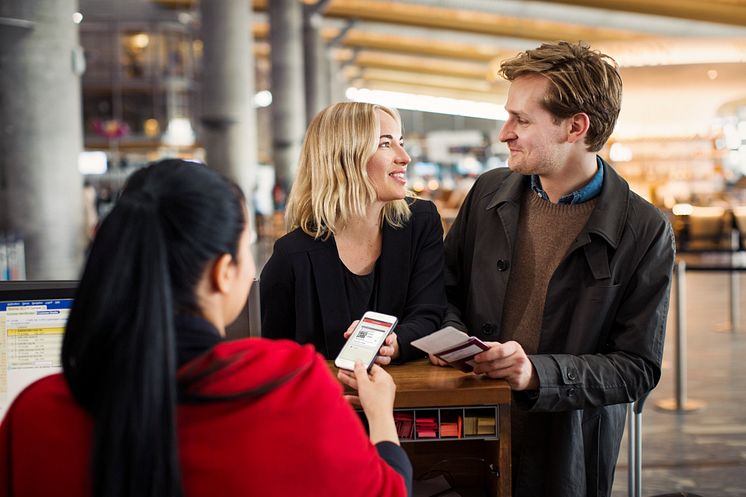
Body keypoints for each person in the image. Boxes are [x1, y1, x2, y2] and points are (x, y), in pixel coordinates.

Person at [0, 159, 412, 497]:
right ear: (222, 272)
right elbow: (389, 491)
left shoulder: (32, 415)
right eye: (246, 245)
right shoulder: (289, 385)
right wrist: (380, 416)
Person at [439, 41, 675, 497]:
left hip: (567, 453)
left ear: (576, 127)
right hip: (468, 429)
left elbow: (636, 367)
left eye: (521, 120)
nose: (504, 133)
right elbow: (444, 291)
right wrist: (450, 341)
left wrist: (537, 374)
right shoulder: (487, 193)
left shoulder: (643, 229)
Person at [260, 102, 447, 363]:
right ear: (344, 157)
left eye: (400, 142)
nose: (405, 157)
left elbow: (430, 313)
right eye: (385, 143)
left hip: (410, 397)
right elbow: (276, 361)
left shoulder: (421, 222)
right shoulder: (293, 256)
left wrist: (395, 343)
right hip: (328, 400)